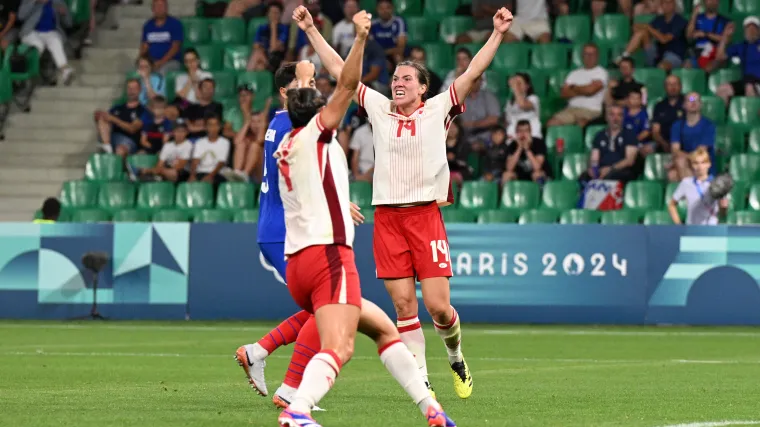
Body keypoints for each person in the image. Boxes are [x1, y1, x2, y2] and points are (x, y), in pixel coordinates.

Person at [298, 4, 515, 401]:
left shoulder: (440, 108)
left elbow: (473, 72)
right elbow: (339, 73)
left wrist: (498, 33)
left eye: (406, 79)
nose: (398, 83)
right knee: (402, 306)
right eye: (395, 78)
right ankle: (423, 383)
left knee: (439, 308)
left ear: (422, 87)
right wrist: (312, 29)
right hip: (388, 219)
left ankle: (455, 355)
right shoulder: (379, 108)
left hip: (425, 216)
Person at [274, 12, 455, 427]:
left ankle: (431, 409)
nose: (325, 96)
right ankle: (297, 410)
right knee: (340, 346)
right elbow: (347, 82)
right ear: (318, 113)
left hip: (297, 260)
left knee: (387, 329)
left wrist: (305, 60)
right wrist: (359, 37)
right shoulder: (319, 131)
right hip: (327, 257)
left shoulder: (287, 142)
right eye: (316, 94)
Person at [234, 61, 363, 410]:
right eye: (301, 85)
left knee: (322, 306)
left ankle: (259, 355)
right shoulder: (288, 124)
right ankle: (289, 387)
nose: (309, 90)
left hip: (281, 227)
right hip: (285, 231)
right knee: (327, 306)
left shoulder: (278, 123)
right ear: (284, 92)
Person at [668, 147, 727, 225]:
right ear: (692, 165)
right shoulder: (686, 183)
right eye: (696, 163)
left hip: (711, 230)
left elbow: (722, 214)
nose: (700, 167)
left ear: (709, 164)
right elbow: (672, 205)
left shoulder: (717, 183)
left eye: (703, 162)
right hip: (692, 229)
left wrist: (724, 208)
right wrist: (678, 225)